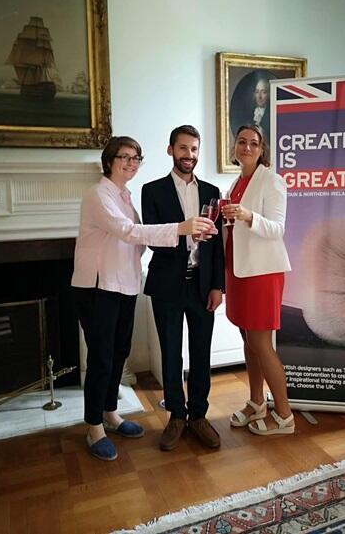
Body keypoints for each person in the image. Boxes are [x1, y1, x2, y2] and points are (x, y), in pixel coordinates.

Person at [71, 136, 215, 461]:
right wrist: (181, 228)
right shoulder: (98, 195)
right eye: (124, 157)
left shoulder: (124, 197)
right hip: (97, 287)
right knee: (101, 357)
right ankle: (94, 427)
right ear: (109, 160)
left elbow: (137, 241)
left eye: (136, 158)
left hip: (124, 285)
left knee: (118, 352)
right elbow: (130, 232)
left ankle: (110, 413)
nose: (131, 163)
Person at [141, 125, 225, 451]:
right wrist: (187, 234)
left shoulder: (212, 191)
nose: (188, 155)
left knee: (201, 354)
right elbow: (152, 239)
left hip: (202, 287)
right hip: (167, 287)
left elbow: (217, 247)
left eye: (193, 149)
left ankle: (199, 416)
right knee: (171, 354)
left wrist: (218, 286)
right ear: (170, 150)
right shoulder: (152, 191)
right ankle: (176, 415)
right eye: (183, 148)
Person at [221, 124, 294, 435]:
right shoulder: (237, 182)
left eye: (253, 143)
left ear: (262, 150)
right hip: (239, 271)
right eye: (241, 142)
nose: (246, 147)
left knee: (261, 344)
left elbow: (278, 228)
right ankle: (255, 403)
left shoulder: (272, 181)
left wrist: (247, 216)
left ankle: (285, 416)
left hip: (262, 273)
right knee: (247, 341)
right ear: (235, 147)